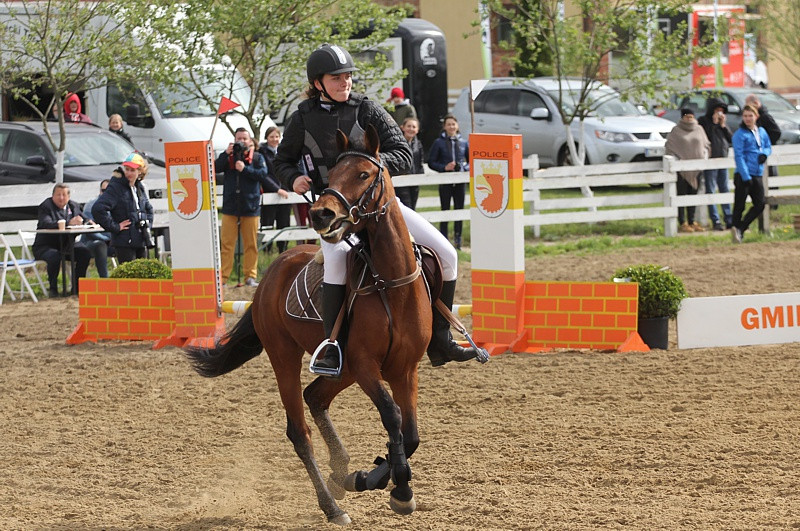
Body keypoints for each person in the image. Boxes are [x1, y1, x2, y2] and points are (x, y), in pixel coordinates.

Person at [274, 44, 478, 375]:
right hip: (337, 215)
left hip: (378, 205)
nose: (345, 82)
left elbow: (403, 152)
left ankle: (440, 339)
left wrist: (369, 166)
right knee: (337, 263)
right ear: (318, 83)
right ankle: (332, 348)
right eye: (337, 78)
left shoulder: (368, 109)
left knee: (448, 253)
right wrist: (293, 176)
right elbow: (281, 160)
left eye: (348, 76)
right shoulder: (301, 118)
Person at [216, 127, 288, 287]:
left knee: (251, 244)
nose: (241, 141)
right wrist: (225, 154)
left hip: (250, 206)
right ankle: (224, 279)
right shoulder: (228, 157)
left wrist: (245, 169)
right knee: (227, 244)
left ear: (250, 141)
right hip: (230, 207)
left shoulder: (257, 157)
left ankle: (250, 277)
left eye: (244, 138)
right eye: (238, 138)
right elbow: (214, 168)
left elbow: (263, 174)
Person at [92, 153, 155, 263]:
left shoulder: (139, 187)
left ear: (140, 171)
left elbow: (148, 209)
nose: (129, 173)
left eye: (132, 170)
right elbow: (98, 209)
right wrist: (115, 227)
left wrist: (147, 225)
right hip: (124, 242)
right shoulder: (116, 187)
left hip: (140, 240)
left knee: (143, 277)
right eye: (127, 169)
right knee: (129, 278)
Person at [33, 183, 92, 297]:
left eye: (64, 195)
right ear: (52, 196)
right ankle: (53, 290)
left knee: (84, 253)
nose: (61, 198)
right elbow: (46, 223)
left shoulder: (73, 206)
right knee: (55, 256)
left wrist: (87, 222)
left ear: (68, 197)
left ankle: (77, 288)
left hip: (67, 244)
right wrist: (69, 223)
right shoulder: (46, 206)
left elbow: (84, 219)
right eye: (58, 195)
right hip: (45, 246)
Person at [731, 104, 772, 243]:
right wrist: (745, 175)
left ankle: (741, 228)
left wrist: (765, 154)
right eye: (745, 116)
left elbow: (767, 145)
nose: (748, 119)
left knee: (760, 204)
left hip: (757, 173)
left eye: (750, 116)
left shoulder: (761, 131)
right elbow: (739, 155)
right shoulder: (739, 134)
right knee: (740, 205)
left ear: (756, 116)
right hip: (744, 174)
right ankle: (736, 230)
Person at [665, 108, 710, 233]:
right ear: (682, 117)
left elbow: (705, 145)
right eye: (686, 116)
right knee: (681, 194)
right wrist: (678, 163)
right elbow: (670, 147)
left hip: (697, 168)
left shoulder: (699, 129)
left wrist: (704, 160)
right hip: (681, 170)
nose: (689, 118)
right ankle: (682, 221)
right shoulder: (676, 131)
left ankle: (692, 220)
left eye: (691, 116)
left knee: (693, 195)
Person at [428, 114, 469, 248]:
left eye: (453, 124)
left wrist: (463, 167)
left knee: (459, 209)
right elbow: (431, 162)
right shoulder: (438, 142)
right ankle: (443, 241)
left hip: (460, 181)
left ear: (457, 126)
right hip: (445, 181)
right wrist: (444, 167)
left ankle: (458, 240)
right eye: (449, 124)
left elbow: (471, 161)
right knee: (444, 210)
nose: (451, 127)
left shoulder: (463, 142)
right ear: (444, 127)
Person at [697, 99, 733, 230]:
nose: (720, 113)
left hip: (723, 159)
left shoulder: (723, 124)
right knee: (711, 190)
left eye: (722, 111)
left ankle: (729, 218)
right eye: (717, 110)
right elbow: (705, 138)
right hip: (710, 160)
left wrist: (723, 126)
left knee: (725, 189)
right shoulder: (703, 121)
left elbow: (731, 139)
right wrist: (713, 123)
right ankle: (715, 220)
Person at [745, 93, 782, 223]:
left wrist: (766, 145)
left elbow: (776, 132)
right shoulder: (756, 118)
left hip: (766, 152)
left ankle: (774, 203)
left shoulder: (765, 117)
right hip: (759, 154)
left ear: (755, 103)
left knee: (771, 175)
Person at [258, 126, 293, 253]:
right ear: (266, 138)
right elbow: (264, 175)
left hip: (285, 192)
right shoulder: (262, 153)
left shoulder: (284, 152)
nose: (274, 139)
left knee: (284, 221)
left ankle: (282, 249)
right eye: (271, 136)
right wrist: (276, 189)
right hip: (269, 192)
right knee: (268, 222)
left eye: (276, 136)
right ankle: (267, 250)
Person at [80, 179, 113, 278]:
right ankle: (105, 281)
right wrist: (107, 239)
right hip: (91, 243)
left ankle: (130, 282)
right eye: (103, 191)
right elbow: (89, 229)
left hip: (113, 242)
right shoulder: (92, 206)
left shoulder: (119, 204)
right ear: (100, 191)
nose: (106, 193)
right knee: (100, 245)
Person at [397, 116, 424, 210]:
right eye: (409, 126)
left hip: (414, 182)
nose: (411, 129)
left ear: (417, 130)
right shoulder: (397, 143)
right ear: (402, 127)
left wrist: (420, 177)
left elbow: (420, 163)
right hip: (401, 182)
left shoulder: (418, 144)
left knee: (413, 208)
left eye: (414, 127)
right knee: (406, 208)